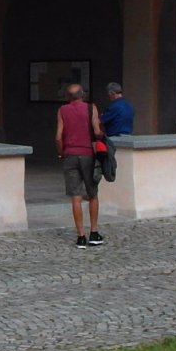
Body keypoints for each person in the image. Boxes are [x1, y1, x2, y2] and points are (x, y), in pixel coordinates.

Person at [56, 82, 105, 248]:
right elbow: (97, 131)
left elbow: (58, 136)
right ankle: (94, 232)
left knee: (75, 197)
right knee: (92, 194)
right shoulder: (91, 108)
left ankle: (81, 236)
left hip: (70, 154)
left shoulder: (63, 110)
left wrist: (61, 152)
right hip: (88, 155)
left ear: (68, 97)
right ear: (83, 95)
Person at [98, 81, 134, 185]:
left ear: (112, 93)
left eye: (109, 95)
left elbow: (101, 120)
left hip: (114, 137)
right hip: (127, 135)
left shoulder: (114, 106)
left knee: (109, 164)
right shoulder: (129, 105)